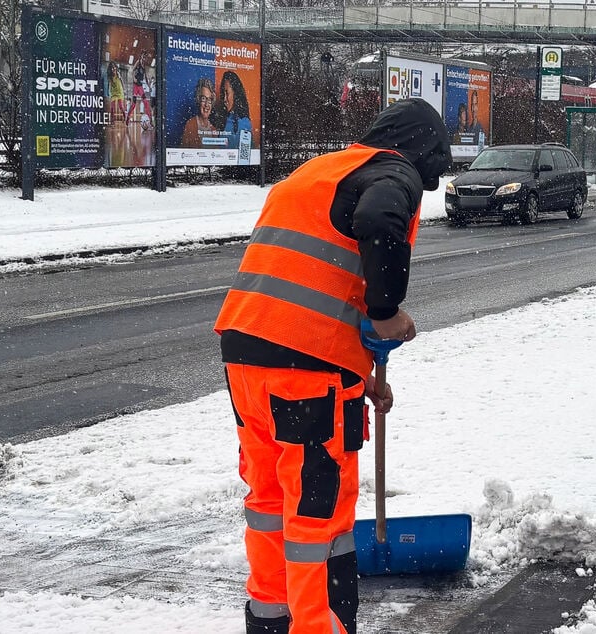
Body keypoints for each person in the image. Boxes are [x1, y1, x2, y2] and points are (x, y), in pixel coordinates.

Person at [214, 98, 452, 634]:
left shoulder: (321, 170)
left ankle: (269, 620)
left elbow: (307, 282)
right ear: (423, 153)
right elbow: (379, 217)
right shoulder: (394, 170)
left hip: (245, 354)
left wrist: (360, 378)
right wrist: (385, 311)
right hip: (306, 370)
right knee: (315, 509)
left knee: (269, 499)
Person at [213, 70, 253, 149]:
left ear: (236, 94)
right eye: (223, 93)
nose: (224, 99)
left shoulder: (244, 123)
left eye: (227, 93)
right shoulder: (219, 119)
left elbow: (246, 156)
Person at [181, 77, 218, 147]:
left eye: (209, 99)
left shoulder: (214, 129)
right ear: (198, 100)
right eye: (203, 98)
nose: (207, 104)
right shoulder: (190, 125)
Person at [126, 51, 154, 128]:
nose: (144, 58)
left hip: (140, 86)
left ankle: (151, 121)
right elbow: (132, 70)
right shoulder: (138, 62)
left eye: (145, 57)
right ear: (141, 56)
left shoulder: (144, 66)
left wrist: (149, 85)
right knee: (134, 104)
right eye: (143, 56)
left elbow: (146, 77)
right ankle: (127, 118)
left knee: (146, 103)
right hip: (135, 86)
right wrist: (133, 78)